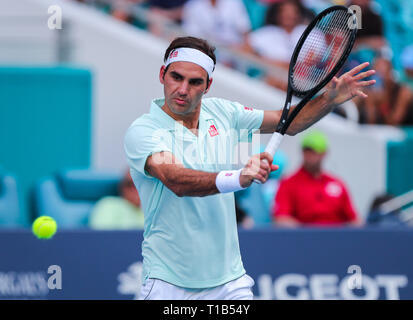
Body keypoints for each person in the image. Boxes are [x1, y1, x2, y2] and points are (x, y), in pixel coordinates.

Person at [124, 36, 374, 300]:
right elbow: (176, 180)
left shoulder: (224, 112)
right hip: (167, 283)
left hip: (229, 282)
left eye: (195, 81)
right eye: (176, 77)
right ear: (163, 74)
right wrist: (238, 178)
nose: (183, 89)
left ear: (208, 85)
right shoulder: (144, 131)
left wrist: (328, 100)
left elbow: (285, 121)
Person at [273, 130, 363, 227]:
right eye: (306, 151)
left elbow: (355, 220)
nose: (309, 155)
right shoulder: (289, 183)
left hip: (337, 239)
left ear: (324, 153)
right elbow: (281, 219)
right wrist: (308, 232)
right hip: (303, 240)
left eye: (314, 151)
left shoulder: (337, 184)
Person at [243, 0, 311, 90]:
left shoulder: (309, 33)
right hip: (268, 80)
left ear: (298, 14)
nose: (288, 15)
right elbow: (245, 47)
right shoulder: (268, 32)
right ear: (278, 14)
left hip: (297, 84)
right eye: (284, 11)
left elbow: (309, 63)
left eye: (292, 11)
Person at [356, 55, 413, 126]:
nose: (380, 78)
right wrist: (371, 105)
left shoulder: (404, 92)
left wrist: (383, 104)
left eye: (382, 73)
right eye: (377, 74)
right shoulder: (374, 93)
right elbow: (371, 123)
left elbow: (395, 122)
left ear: (390, 72)